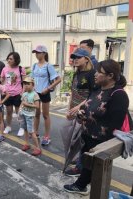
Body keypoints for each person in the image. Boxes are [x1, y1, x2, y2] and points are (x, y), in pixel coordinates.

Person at [64, 59, 129, 195]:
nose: (95, 74)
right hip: (87, 135)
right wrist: (81, 114)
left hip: (100, 141)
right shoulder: (97, 88)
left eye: (99, 72)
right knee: (87, 165)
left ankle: (83, 187)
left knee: (95, 170)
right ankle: (82, 185)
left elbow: (114, 125)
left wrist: (101, 145)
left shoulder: (118, 95)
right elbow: (89, 107)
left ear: (110, 76)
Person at [64, 48, 96, 177]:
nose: (75, 59)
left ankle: (80, 167)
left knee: (82, 140)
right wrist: (69, 109)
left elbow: (93, 95)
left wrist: (79, 107)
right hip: (74, 111)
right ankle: (78, 161)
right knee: (74, 139)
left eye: (78, 57)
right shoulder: (77, 73)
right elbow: (73, 92)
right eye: (74, 57)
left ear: (86, 59)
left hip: (84, 112)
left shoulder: (92, 74)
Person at [31, 45, 61, 146]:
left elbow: (58, 79)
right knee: (36, 114)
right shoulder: (34, 65)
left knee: (45, 115)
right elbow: (31, 79)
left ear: (44, 53)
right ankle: (36, 132)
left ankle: (47, 136)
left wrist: (48, 88)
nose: (36, 54)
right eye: (35, 52)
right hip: (36, 93)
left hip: (45, 93)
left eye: (38, 52)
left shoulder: (48, 66)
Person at [0, 52, 26, 135]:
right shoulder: (5, 69)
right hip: (8, 94)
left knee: (19, 112)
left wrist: (23, 92)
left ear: (16, 60)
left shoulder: (21, 69)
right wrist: (3, 85)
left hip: (18, 93)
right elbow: (2, 79)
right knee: (9, 111)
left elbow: (25, 82)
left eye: (11, 59)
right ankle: (8, 126)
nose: (9, 60)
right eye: (8, 58)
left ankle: (21, 127)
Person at [19, 77, 41, 156]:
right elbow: (22, 103)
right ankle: (27, 143)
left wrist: (27, 104)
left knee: (31, 132)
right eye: (25, 84)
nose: (26, 85)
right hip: (23, 114)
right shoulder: (24, 94)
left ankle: (37, 148)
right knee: (25, 129)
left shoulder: (35, 94)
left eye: (28, 84)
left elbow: (37, 106)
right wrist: (19, 112)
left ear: (33, 85)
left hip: (30, 116)